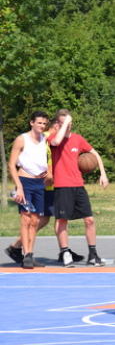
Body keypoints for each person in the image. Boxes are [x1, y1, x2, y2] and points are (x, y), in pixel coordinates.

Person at [50, 109, 109, 268]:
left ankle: (92, 254)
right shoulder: (53, 138)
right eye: (64, 124)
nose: (68, 126)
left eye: (70, 123)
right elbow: (56, 141)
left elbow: (94, 154)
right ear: (57, 124)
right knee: (62, 220)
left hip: (78, 185)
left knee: (89, 220)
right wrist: (64, 123)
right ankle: (65, 252)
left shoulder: (77, 139)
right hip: (62, 186)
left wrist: (103, 173)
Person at [7, 111, 50, 269]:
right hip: (24, 183)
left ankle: (30, 254)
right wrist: (19, 187)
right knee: (25, 219)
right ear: (32, 123)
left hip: (39, 183)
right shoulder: (21, 139)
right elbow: (12, 164)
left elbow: (58, 133)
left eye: (44, 124)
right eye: (39, 123)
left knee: (34, 221)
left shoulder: (44, 138)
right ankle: (25, 256)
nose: (42, 126)